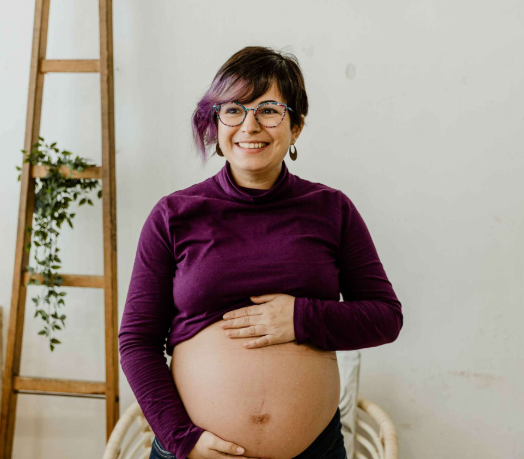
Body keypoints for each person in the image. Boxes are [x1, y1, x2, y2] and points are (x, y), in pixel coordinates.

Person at [119, 46, 403, 459]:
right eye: (234, 110)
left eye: (269, 109)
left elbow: (385, 317)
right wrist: (183, 439)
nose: (250, 125)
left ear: (297, 125)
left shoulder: (332, 209)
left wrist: (300, 318)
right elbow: (137, 341)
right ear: (217, 123)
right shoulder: (173, 215)